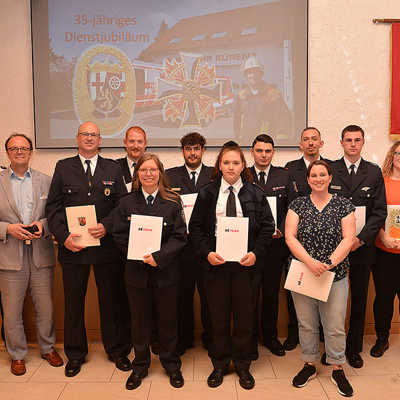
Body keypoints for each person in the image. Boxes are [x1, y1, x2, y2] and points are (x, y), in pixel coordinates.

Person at [45, 121, 131, 377]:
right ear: (77, 138)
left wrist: (106, 225)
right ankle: (75, 354)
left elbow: (122, 206)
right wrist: (62, 237)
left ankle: (116, 351)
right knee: (73, 304)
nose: (89, 138)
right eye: (85, 134)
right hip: (74, 248)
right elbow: (53, 208)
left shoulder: (113, 169)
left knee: (111, 302)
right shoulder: (63, 167)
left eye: (94, 135)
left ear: (100, 139)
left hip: (106, 248)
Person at [189, 141, 274, 390]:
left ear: (243, 165)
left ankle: (243, 364)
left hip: (246, 268)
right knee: (218, 316)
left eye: (235, 162)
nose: (230, 167)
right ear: (219, 165)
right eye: (226, 162)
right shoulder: (207, 193)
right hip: (216, 266)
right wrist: (207, 253)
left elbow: (268, 227)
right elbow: (194, 228)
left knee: (245, 317)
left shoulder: (255, 193)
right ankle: (220, 363)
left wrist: (256, 253)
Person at [113, 153, 187, 390]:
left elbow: (180, 236)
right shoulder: (126, 202)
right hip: (136, 273)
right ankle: (141, 365)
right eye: (143, 170)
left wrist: (159, 257)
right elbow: (118, 235)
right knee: (140, 322)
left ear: (160, 174)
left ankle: (171, 364)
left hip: (166, 273)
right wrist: (137, 253)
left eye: (153, 170)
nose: (148, 174)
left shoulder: (173, 202)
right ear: (137, 175)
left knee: (168, 321)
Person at [285, 160, 356, 397]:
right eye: (313, 175)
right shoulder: (298, 204)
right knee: (306, 323)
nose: (318, 179)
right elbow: (290, 237)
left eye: (322, 174)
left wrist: (329, 263)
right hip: (304, 273)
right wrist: (310, 262)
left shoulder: (343, 204)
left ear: (330, 177)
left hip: (335, 275)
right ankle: (309, 365)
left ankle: (337, 367)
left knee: (334, 325)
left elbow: (349, 238)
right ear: (308, 179)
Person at [0, 133, 63, 376]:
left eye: (23, 148)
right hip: (9, 256)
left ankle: (48, 348)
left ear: (31, 152)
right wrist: (8, 229)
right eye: (14, 148)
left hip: (40, 254)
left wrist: (43, 226)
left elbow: (56, 214)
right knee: (12, 311)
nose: (19, 152)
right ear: (7, 152)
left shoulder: (46, 181)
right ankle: (17, 355)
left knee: (45, 307)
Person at [329, 125, 387, 368]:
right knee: (332, 300)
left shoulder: (373, 173)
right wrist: (343, 241)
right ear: (341, 142)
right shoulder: (330, 169)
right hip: (334, 247)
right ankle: (333, 349)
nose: (353, 144)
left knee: (359, 298)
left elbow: (379, 212)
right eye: (348, 140)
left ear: (363, 142)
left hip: (362, 248)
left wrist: (360, 239)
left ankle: (353, 349)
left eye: (357, 140)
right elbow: (324, 205)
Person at [248, 134, 297, 357]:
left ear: (273, 153)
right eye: (260, 151)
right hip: (249, 247)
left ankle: (270, 337)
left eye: (268, 151)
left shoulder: (283, 176)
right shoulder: (243, 175)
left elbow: (293, 209)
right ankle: (249, 340)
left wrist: (284, 230)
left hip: (276, 247)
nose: (264, 155)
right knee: (249, 294)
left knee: (270, 293)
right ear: (252, 152)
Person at [165, 132, 213, 355]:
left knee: (209, 296)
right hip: (180, 248)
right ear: (182, 151)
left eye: (196, 149)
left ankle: (210, 338)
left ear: (203, 150)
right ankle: (183, 339)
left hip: (206, 247)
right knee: (181, 296)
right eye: (188, 149)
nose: (192, 153)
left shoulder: (215, 175)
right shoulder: (170, 176)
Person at [284, 127, 329, 349]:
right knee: (297, 289)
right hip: (297, 242)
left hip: (326, 242)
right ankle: (295, 333)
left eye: (314, 139)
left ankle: (321, 335)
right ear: (300, 144)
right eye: (306, 140)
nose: (310, 143)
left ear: (321, 143)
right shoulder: (290, 169)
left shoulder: (331, 168)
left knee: (324, 291)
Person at [370, 141, 400, 357]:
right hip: (384, 251)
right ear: (392, 155)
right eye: (397, 153)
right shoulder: (381, 181)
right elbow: (375, 214)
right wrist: (383, 236)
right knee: (383, 299)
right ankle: (382, 339)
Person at [233, 56, 292, 142]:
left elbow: (284, 118)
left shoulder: (273, 94)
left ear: (261, 74)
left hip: (266, 142)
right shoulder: (241, 96)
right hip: (247, 141)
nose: (252, 75)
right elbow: (237, 119)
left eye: (255, 72)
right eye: (249, 73)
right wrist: (238, 138)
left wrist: (281, 142)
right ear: (245, 75)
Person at [116, 126, 147, 191]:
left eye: (139, 141)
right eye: (132, 141)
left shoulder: (154, 167)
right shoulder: (115, 166)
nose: (136, 146)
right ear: (125, 143)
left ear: (145, 144)